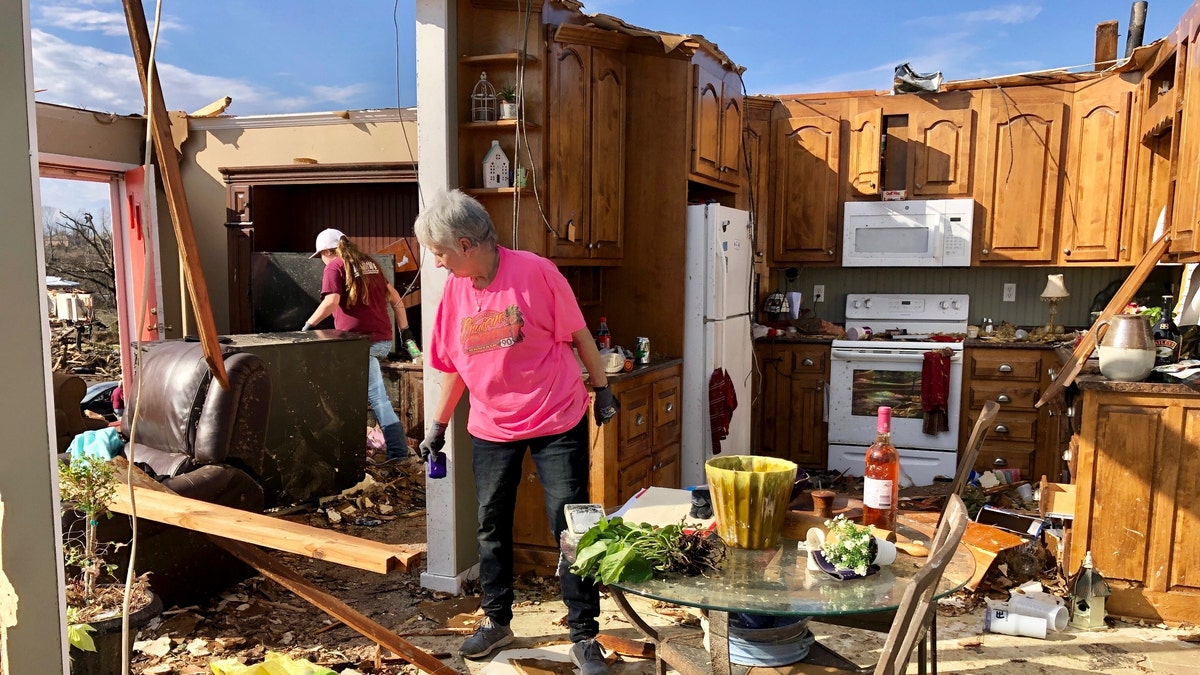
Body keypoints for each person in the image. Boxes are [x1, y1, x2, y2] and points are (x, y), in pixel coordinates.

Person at [414, 190, 619, 674]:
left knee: (570, 525)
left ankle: (585, 634)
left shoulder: (537, 273)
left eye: (439, 253)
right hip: (490, 423)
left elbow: (579, 335)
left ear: (465, 245)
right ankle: (496, 619)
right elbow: (456, 369)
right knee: (491, 521)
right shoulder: (454, 295)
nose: (437, 264)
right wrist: (437, 424)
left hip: (556, 415)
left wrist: (602, 387)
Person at [302, 228, 417, 464]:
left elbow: (331, 301)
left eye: (321, 255)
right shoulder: (369, 263)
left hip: (357, 344)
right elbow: (396, 297)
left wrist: (306, 326)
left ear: (327, 251)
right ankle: (363, 448)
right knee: (358, 394)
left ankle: (396, 453)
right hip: (382, 342)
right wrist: (406, 335)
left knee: (374, 398)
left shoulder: (334, 266)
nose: (322, 261)